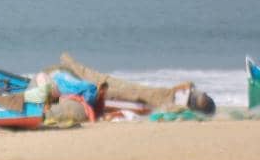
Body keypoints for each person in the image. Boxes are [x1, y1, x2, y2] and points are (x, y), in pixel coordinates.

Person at [60, 53, 215, 115]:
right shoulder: (181, 96)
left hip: (148, 95)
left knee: (113, 86)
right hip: (150, 93)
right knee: (111, 84)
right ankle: (70, 63)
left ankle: (70, 63)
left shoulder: (178, 103)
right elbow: (187, 86)